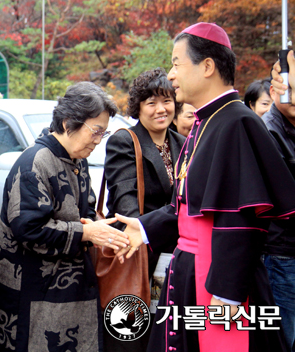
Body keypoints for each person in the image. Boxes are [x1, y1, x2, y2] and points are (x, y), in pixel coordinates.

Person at [115, 22, 295, 352]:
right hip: (189, 270)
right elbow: (186, 207)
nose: (171, 74)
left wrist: (228, 292)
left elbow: (242, 218)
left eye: (176, 63)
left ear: (207, 66)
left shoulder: (237, 122)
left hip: (217, 282)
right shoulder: (204, 122)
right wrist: (142, 228)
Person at [0, 82, 130, 352]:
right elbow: (29, 229)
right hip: (32, 294)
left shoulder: (77, 160)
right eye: (96, 131)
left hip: (66, 291)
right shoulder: (35, 162)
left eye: (104, 132)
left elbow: (85, 210)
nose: (98, 140)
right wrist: (86, 232)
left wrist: (99, 230)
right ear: (68, 123)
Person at [104, 68, 185, 351]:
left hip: (176, 259)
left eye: (167, 100)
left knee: (170, 335)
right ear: (138, 108)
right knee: (134, 336)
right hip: (139, 255)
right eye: (151, 103)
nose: (161, 109)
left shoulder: (182, 143)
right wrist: (150, 229)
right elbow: (125, 204)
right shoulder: (125, 141)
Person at [261, 83, 295, 351]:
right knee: (286, 335)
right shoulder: (267, 130)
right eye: (290, 90)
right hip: (282, 251)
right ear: (274, 90)